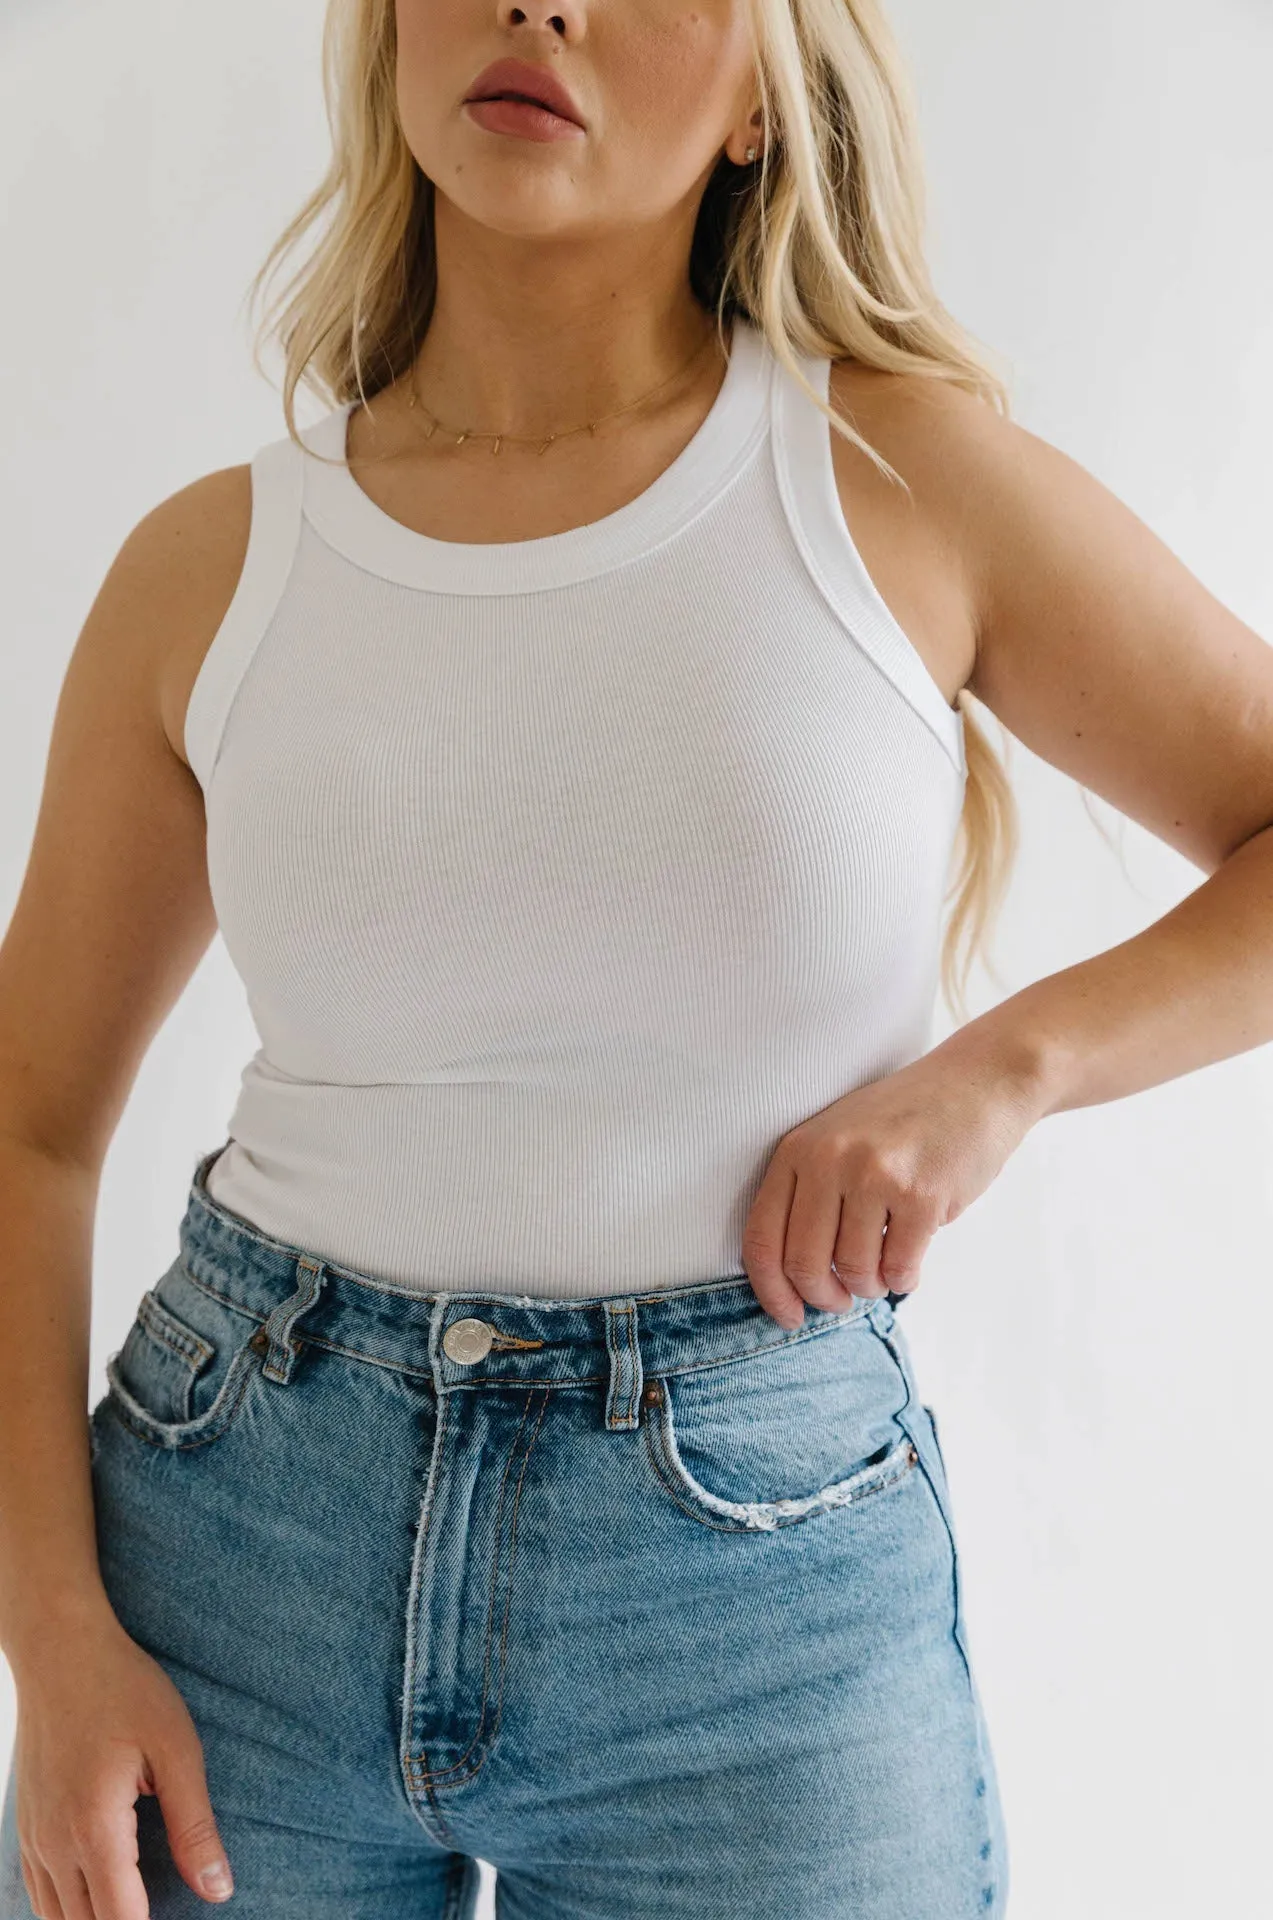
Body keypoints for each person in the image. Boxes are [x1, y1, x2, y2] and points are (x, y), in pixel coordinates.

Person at [3, 0, 1273, 1913]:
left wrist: (999, 1073)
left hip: (754, 1619)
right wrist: (53, 1639)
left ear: (768, 93)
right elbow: (28, 1126)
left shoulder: (898, 486)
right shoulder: (211, 571)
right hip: (233, 1556)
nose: (540, 5)